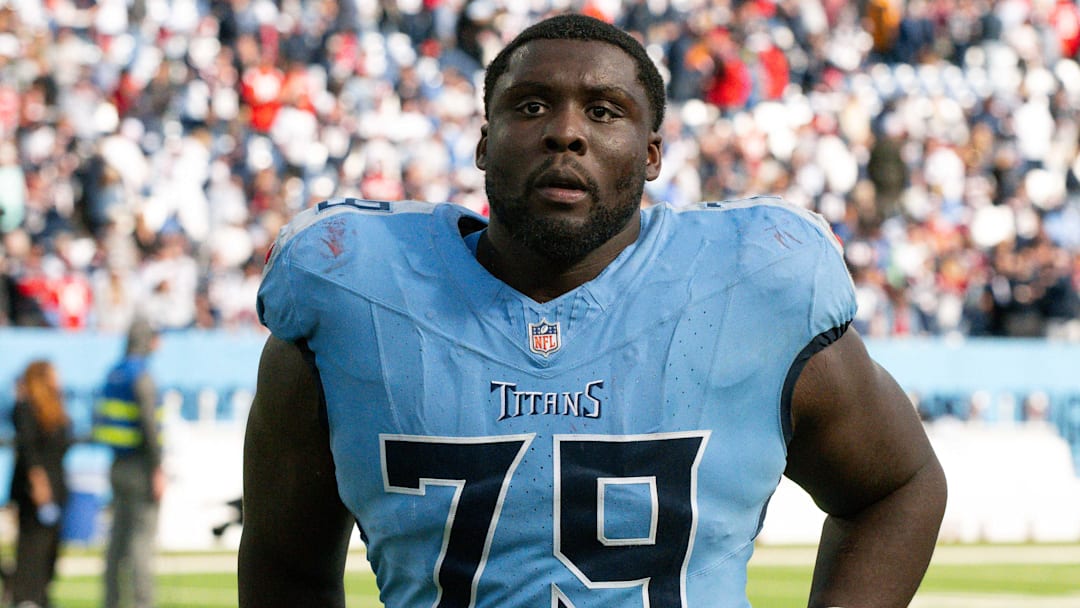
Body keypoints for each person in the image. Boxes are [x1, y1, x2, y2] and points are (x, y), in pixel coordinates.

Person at [239, 13, 947, 608]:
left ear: (650, 154)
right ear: (484, 142)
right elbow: (283, 558)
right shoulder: (352, 294)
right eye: (531, 105)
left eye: (604, 111)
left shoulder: (756, 285)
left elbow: (898, 486)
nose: (565, 133)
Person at [93, 317, 165, 608]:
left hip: (116, 464)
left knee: (116, 542)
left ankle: (111, 601)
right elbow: (149, 426)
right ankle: (142, 603)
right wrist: (158, 468)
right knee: (140, 542)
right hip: (140, 467)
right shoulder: (142, 376)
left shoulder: (113, 374)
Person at [8, 359, 73, 608]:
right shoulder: (26, 407)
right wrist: (39, 483)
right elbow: (28, 450)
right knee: (31, 549)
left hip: (57, 487)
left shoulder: (55, 409)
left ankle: (41, 597)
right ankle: (26, 598)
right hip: (34, 491)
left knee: (50, 552)